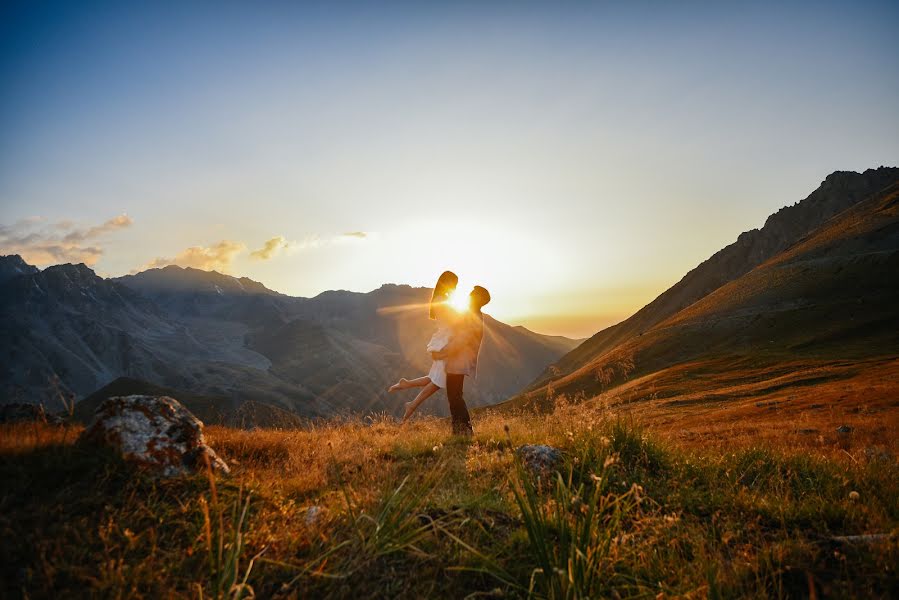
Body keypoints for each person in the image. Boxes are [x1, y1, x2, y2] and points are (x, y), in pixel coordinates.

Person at [387, 271, 459, 423]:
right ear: (447, 283)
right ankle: (412, 405)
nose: (455, 288)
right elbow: (451, 320)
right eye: (454, 284)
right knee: (439, 380)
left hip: (444, 338)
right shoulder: (442, 299)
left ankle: (406, 384)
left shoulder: (440, 298)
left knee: (435, 377)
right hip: (445, 339)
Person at [432, 285, 490, 436]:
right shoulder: (473, 314)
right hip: (460, 360)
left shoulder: (471, 316)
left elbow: (461, 341)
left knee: (454, 396)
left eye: (473, 293)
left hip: (458, 361)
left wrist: (442, 353)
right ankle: (461, 430)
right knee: (456, 395)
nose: (469, 294)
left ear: (477, 298)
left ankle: (463, 430)